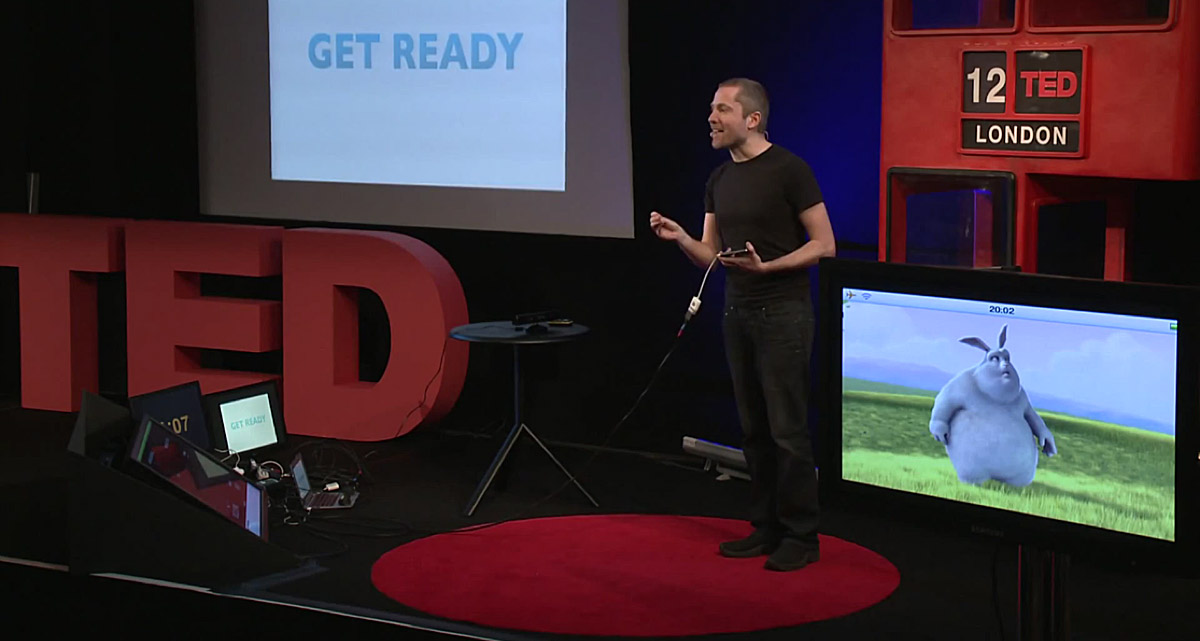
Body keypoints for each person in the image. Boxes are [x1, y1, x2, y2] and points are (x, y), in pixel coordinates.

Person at [650, 78, 836, 571]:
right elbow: (710, 256)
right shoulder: (718, 179)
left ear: (752, 119)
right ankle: (766, 526)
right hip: (737, 312)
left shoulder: (789, 170)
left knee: (786, 430)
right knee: (753, 428)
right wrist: (682, 238)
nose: (711, 118)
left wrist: (769, 268)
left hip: (784, 314)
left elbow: (824, 244)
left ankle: (802, 535)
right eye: (711, 108)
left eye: (722, 109)